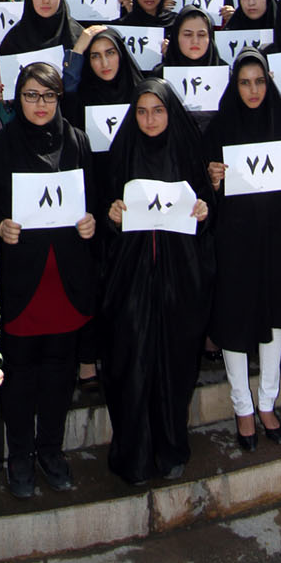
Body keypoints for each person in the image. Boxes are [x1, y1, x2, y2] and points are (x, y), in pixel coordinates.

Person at [0, 60, 99, 498]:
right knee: (20, 377)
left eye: (48, 95)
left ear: (59, 98)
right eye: (31, 95)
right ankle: (20, 457)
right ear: (17, 99)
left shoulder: (77, 142)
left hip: (66, 281)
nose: (40, 104)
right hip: (21, 283)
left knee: (60, 376)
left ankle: (51, 451)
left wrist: (90, 221)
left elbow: (94, 198)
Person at [89, 78, 210, 480]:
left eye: (158, 111)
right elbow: (101, 211)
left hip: (180, 280)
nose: (150, 119)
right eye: (141, 112)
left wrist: (204, 212)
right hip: (129, 282)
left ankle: (171, 448)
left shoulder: (188, 151)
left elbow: (207, 209)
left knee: (175, 369)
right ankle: (134, 457)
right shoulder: (121, 153)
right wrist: (112, 216)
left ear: (170, 112)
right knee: (131, 367)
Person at [202, 51, 281, 448]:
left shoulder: (280, 119)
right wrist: (213, 181)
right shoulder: (219, 126)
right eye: (245, 82)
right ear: (235, 85)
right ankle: (242, 407)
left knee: (274, 312)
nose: (253, 90)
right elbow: (203, 190)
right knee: (234, 316)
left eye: (260, 81)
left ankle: (267, 402)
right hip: (233, 236)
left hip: (274, 233)